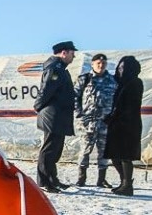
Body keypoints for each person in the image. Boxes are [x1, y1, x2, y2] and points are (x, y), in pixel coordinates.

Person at [34, 40, 77, 193]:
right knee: (50, 149)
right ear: (64, 53)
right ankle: (45, 181)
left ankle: (52, 178)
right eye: (72, 53)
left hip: (59, 115)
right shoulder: (56, 68)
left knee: (56, 149)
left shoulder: (61, 68)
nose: (74, 57)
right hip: (53, 114)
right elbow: (47, 90)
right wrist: (38, 106)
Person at [73, 53, 117, 187]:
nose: (101, 65)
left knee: (104, 151)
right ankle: (81, 178)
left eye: (103, 63)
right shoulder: (85, 79)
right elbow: (75, 97)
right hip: (88, 122)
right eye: (98, 63)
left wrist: (112, 116)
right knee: (85, 150)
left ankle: (101, 179)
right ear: (92, 64)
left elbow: (117, 100)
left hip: (105, 121)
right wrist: (79, 115)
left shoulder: (112, 80)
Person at [103, 55, 143, 196]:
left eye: (123, 68)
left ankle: (127, 185)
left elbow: (129, 105)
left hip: (128, 124)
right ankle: (123, 181)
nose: (120, 71)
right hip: (117, 123)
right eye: (119, 68)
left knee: (125, 155)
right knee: (115, 155)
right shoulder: (120, 83)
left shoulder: (135, 83)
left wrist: (114, 116)